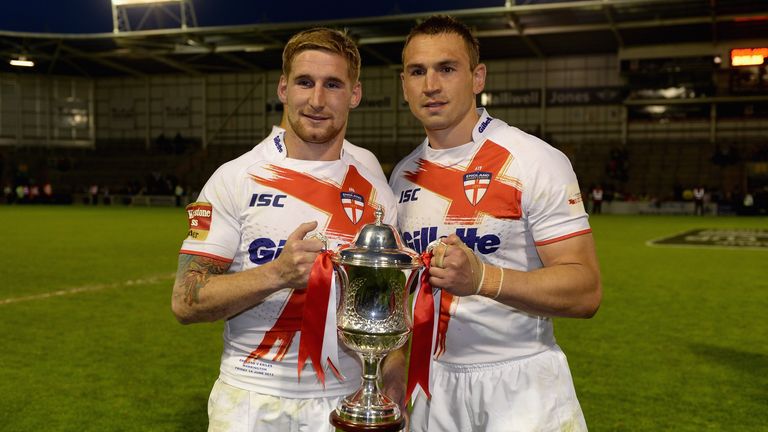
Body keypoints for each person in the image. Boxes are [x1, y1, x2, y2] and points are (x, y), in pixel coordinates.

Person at [171, 28, 401, 432]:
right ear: (283, 88)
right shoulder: (235, 178)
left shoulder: (373, 180)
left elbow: (389, 296)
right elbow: (186, 301)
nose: (316, 100)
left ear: (355, 94)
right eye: (304, 82)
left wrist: (394, 374)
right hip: (251, 401)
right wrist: (276, 274)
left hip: (348, 396)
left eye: (333, 84)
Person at [389, 15, 602, 432]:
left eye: (447, 69)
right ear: (404, 85)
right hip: (431, 386)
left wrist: (483, 277)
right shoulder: (401, 176)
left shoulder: (533, 160)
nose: (431, 85)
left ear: (477, 77)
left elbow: (585, 290)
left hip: (521, 383)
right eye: (418, 71)